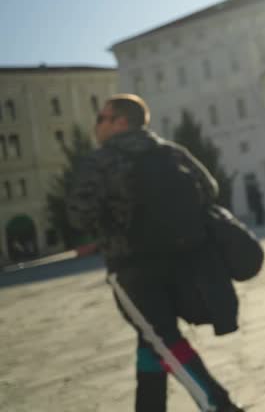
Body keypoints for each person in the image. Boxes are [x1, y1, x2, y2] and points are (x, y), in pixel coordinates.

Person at [67, 94, 243, 412]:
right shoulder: (170, 150)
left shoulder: (102, 160)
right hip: (184, 261)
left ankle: (220, 405)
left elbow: (79, 214)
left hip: (133, 270)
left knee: (163, 339)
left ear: (120, 122)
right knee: (151, 337)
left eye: (101, 118)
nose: (97, 126)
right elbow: (210, 189)